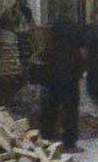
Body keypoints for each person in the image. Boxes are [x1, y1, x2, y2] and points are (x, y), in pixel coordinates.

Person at [36, 14, 88, 153]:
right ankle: (69, 143)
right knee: (70, 110)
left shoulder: (52, 28)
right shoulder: (76, 29)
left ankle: (45, 139)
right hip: (70, 75)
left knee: (50, 108)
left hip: (53, 74)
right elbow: (83, 47)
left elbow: (45, 48)